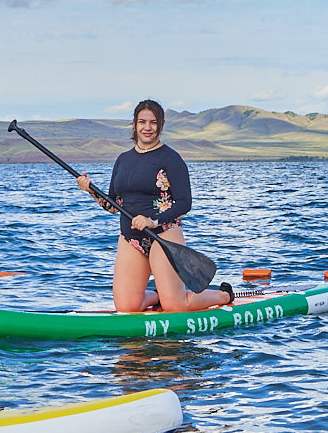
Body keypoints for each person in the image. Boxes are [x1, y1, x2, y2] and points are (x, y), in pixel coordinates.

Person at [77, 98, 233, 315]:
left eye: (153, 122)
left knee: (175, 307)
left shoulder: (171, 159)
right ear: (135, 124)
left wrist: (153, 221)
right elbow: (113, 206)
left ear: (161, 124)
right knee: (127, 307)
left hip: (164, 235)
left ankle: (224, 295)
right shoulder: (123, 159)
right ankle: (161, 294)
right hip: (130, 238)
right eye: (142, 122)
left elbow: (185, 203)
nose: (147, 127)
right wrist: (91, 190)